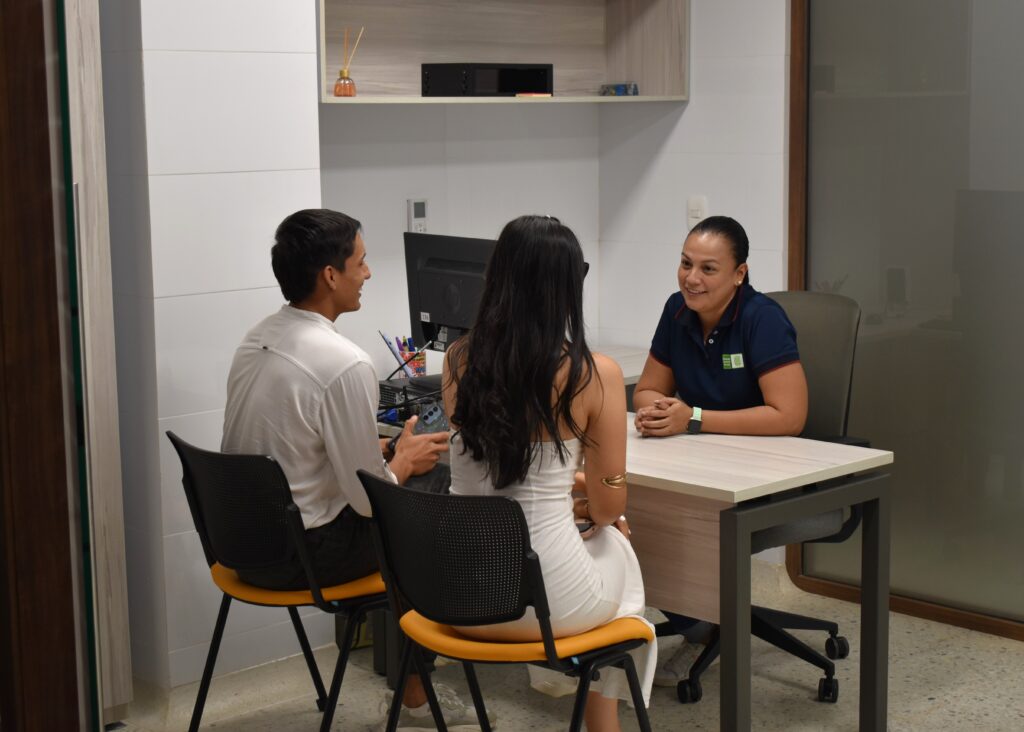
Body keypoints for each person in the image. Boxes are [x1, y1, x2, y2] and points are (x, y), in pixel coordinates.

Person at [221, 208, 483, 729]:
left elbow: (303, 455)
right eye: (362, 262)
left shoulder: (256, 338)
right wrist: (401, 464)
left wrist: (385, 457)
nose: (369, 273)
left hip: (241, 545)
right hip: (304, 557)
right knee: (430, 497)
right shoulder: (343, 362)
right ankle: (417, 687)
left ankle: (417, 675)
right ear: (330, 275)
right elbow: (368, 502)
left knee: (408, 480)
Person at [442, 215, 656, 732]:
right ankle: (603, 726)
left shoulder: (456, 360)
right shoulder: (591, 372)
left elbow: (501, 473)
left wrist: (567, 493)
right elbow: (610, 508)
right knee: (619, 551)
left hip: (456, 593)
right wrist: (588, 500)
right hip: (545, 603)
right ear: (564, 289)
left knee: (594, 538)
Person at [631, 214, 808, 687]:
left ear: (739, 273)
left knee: (665, 517)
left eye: (709, 269)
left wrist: (692, 419)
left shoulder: (761, 319)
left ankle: (699, 622)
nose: (692, 278)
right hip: (697, 465)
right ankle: (695, 624)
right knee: (630, 508)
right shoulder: (676, 310)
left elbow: (789, 416)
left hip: (762, 476)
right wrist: (660, 410)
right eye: (686, 263)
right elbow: (646, 389)